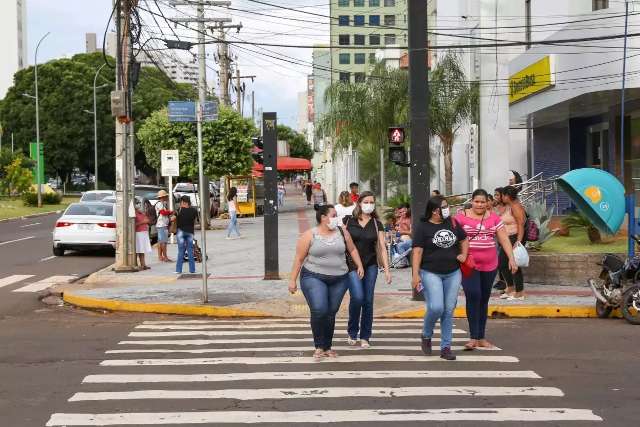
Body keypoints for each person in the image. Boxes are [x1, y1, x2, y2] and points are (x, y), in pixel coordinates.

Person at [289, 205, 364, 360]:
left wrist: (359, 265)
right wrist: (292, 280)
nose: (336, 218)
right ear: (323, 217)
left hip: (339, 278)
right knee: (320, 309)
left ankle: (327, 346)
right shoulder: (310, 235)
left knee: (331, 313)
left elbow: (352, 249)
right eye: (333, 215)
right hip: (314, 277)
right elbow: (299, 258)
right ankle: (319, 346)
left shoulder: (342, 232)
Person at [455, 189, 518, 350]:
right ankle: (472, 337)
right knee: (473, 294)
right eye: (477, 201)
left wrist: (511, 258)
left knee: (483, 299)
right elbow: (452, 237)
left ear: (487, 203)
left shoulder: (494, 218)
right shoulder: (461, 216)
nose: (480, 205)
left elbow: (503, 238)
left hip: (489, 265)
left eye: (483, 202)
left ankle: (480, 337)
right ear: (471, 201)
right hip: (469, 264)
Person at [411, 195, 468, 360]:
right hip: (430, 272)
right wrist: (415, 275)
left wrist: (464, 255)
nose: (446, 209)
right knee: (436, 307)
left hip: (453, 272)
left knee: (448, 310)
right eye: (444, 206)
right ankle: (426, 334)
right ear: (435, 211)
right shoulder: (423, 227)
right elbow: (417, 251)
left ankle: (446, 347)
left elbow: (464, 240)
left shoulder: (452, 222)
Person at [342, 191, 391, 348]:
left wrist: (387, 270)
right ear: (359, 203)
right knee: (357, 297)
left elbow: (382, 248)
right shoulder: (348, 221)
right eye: (366, 201)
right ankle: (352, 331)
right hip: (351, 265)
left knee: (368, 300)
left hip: (370, 265)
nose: (369, 204)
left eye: (372, 202)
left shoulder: (377, 224)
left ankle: (365, 336)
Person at [499, 186, 527, 300]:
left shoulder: (516, 207)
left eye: (503, 195)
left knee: (513, 264)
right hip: (508, 238)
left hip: (515, 237)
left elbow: (521, 225)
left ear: (507, 196)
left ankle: (519, 292)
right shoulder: (509, 206)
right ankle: (510, 288)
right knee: (503, 264)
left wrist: (518, 241)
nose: (502, 197)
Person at [175, 195, 198, 274]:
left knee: (181, 251)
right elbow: (195, 221)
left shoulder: (179, 210)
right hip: (190, 232)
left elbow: (173, 218)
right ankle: (192, 270)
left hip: (180, 232)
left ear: (183, 202)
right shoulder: (194, 211)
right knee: (190, 251)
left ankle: (178, 270)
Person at [154, 190, 173, 263]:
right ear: (163, 197)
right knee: (163, 242)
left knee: (160, 242)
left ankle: (160, 256)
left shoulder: (161, 204)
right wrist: (170, 212)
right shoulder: (160, 204)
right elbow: (163, 213)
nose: (167, 197)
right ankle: (165, 257)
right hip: (162, 225)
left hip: (161, 225)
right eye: (166, 196)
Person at [134, 199, 152, 270]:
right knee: (138, 250)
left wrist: (144, 220)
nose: (138, 205)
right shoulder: (134, 214)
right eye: (137, 203)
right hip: (138, 233)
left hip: (144, 233)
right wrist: (143, 222)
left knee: (142, 250)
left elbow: (147, 220)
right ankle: (136, 264)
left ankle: (143, 264)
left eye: (139, 203)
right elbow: (133, 225)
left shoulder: (140, 212)